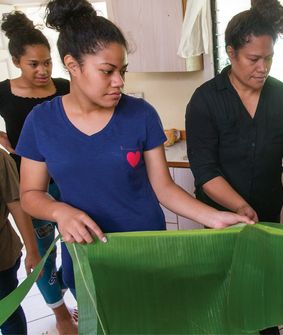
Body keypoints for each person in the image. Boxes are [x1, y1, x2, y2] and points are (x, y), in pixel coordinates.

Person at [15, 0, 253, 304]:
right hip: (88, 254)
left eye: (122, 71)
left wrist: (215, 217)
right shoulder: (41, 122)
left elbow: (164, 188)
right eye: (107, 71)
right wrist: (59, 211)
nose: (119, 82)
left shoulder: (140, 115)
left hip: (146, 251)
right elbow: (30, 194)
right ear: (73, 65)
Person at [185, 0, 283, 333]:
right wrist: (240, 206)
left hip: (268, 219)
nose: (263, 67)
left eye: (269, 58)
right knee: (228, 298)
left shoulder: (282, 97)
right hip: (222, 221)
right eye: (253, 59)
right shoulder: (205, 100)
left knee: (262, 297)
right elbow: (205, 171)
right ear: (231, 52)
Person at [0, 11, 77, 334]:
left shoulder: (63, 87)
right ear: (17, 61)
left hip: (69, 181)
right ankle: (60, 317)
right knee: (43, 256)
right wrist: (8, 143)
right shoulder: (3, 91)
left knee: (74, 248)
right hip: (31, 187)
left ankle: (83, 302)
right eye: (34, 64)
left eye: (47, 62)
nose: (43, 70)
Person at [0, 149, 40, 335]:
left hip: (2, 257)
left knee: (7, 313)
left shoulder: (1, 158)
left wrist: (32, 250)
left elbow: (16, 203)